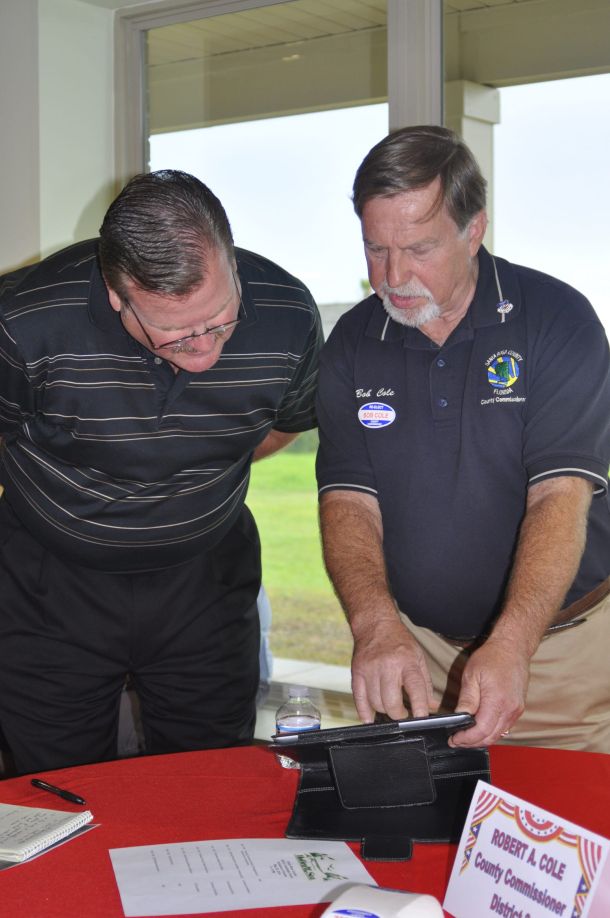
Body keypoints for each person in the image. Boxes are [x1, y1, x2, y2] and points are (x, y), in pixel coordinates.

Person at [0, 170, 323, 774]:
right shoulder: (22, 320)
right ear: (116, 294)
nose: (203, 350)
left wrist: (188, 473)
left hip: (206, 580)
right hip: (50, 586)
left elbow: (284, 423)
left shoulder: (288, 312)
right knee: (55, 787)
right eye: (173, 334)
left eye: (220, 317)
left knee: (209, 778)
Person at [316, 125, 610, 752]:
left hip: (562, 654)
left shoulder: (556, 320)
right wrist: (375, 626)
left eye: (418, 248)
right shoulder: (352, 343)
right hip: (419, 655)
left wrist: (512, 643)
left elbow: (559, 495)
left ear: (474, 231)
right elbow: (348, 500)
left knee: (571, 812)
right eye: (375, 249)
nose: (392, 275)